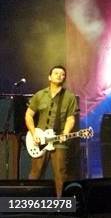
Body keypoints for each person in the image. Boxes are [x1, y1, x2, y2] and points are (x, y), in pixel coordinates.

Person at [25, 65, 79, 197]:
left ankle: (61, 204)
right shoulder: (39, 95)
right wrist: (33, 133)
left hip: (58, 139)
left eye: (62, 74)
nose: (59, 75)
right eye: (56, 73)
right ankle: (29, 201)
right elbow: (28, 115)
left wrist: (66, 133)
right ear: (49, 77)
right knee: (35, 172)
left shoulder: (69, 97)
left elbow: (71, 118)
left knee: (61, 173)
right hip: (40, 138)